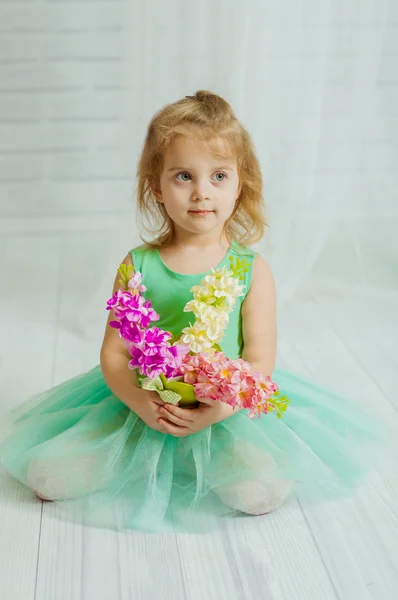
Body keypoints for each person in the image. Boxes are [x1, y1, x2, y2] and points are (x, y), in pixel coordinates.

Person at [0, 91, 388, 533]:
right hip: (145, 400)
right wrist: (142, 405)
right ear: (157, 189)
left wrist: (217, 412)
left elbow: (258, 361)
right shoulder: (138, 266)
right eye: (184, 176)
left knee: (259, 495)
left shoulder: (250, 270)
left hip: (225, 405)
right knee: (47, 479)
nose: (202, 192)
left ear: (241, 185)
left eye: (219, 175)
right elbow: (114, 354)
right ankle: (124, 452)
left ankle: (221, 454)